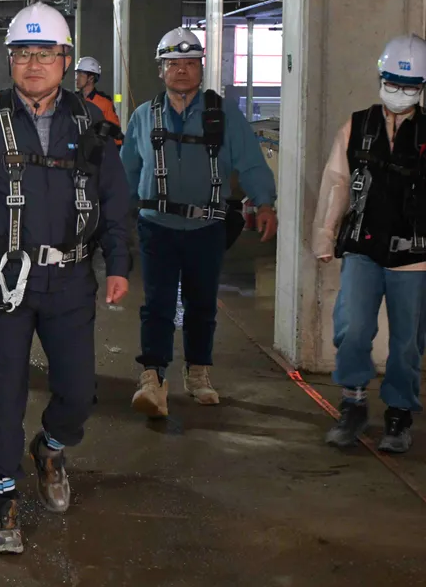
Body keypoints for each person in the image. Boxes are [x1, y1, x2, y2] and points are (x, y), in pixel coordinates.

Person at [0, 2, 130, 554]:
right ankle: (3, 498)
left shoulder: (91, 122)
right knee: (5, 394)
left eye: (45, 53)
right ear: (11, 60)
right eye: (23, 53)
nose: (34, 63)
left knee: (79, 391)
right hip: (3, 280)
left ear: (65, 60)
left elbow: (115, 198)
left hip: (70, 280)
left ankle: (50, 447)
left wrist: (118, 261)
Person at [121, 27, 277, 418]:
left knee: (202, 303)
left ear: (201, 68)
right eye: (174, 64)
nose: (182, 71)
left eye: (190, 63)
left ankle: (198, 372)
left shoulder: (223, 115)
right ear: (161, 69)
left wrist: (265, 203)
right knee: (157, 304)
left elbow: (251, 162)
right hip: (156, 225)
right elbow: (127, 170)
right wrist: (113, 216)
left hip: (206, 227)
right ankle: (153, 375)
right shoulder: (144, 116)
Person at [313, 35, 426, 453]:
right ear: (381, 79)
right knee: (354, 329)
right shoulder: (357, 126)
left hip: (414, 257)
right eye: (393, 83)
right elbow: (337, 183)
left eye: (409, 87)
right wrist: (325, 236)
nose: (400, 93)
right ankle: (353, 404)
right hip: (363, 248)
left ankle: (399, 414)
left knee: (407, 342)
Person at [74, 56, 122, 133]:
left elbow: (115, 133)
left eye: (81, 75)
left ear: (91, 78)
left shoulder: (105, 103)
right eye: (77, 74)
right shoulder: (73, 99)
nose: (77, 78)